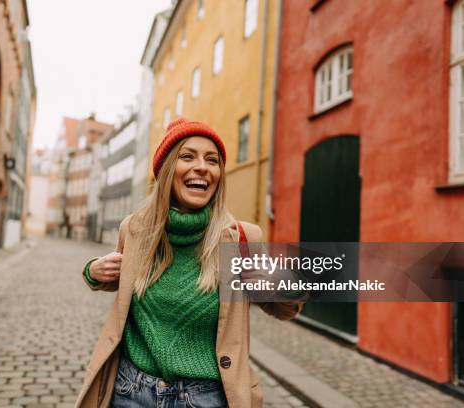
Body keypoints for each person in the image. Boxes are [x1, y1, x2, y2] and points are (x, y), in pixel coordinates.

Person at [75, 118, 303, 407]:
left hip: (205, 398)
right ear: (167, 170)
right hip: (130, 392)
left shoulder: (242, 239)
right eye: (187, 156)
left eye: (212, 160)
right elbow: (118, 276)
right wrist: (93, 270)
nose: (202, 167)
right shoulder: (134, 230)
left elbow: (285, 308)